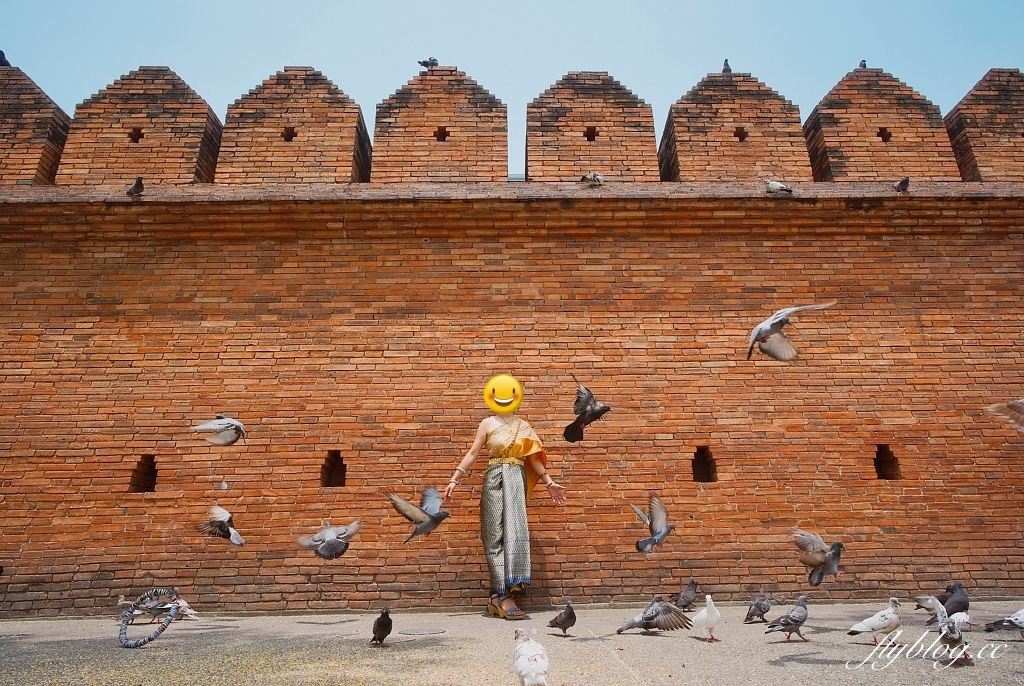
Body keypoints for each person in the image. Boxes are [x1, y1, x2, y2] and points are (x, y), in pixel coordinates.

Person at [443, 378, 566, 620]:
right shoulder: (487, 423)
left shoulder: (524, 426)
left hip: (516, 480)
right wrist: (454, 479)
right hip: (494, 479)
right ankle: (499, 595)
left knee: (515, 534)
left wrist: (549, 482)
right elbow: (472, 453)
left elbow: (532, 459)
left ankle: (501, 593)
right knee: (494, 534)